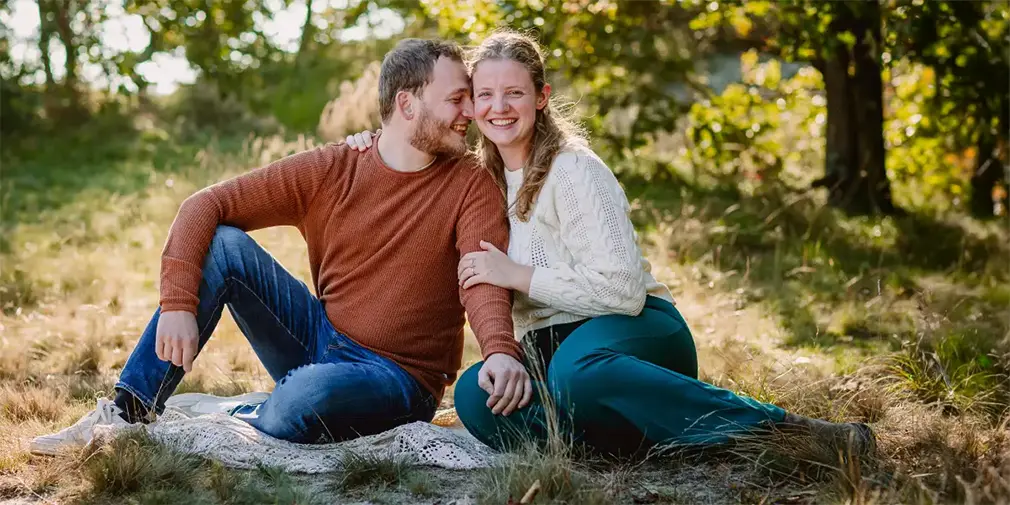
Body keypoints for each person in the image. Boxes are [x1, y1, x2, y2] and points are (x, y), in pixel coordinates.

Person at [343, 31, 875, 457]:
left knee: (579, 373)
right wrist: (367, 141)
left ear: (541, 98)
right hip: (554, 348)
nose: (498, 107)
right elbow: (405, 149)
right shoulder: (477, 177)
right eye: (484, 95)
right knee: (476, 396)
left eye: (515, 93)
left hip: (638, 332)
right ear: (473, 105)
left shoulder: (574, 171)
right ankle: (634, 445)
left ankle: (791, 434)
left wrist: (518, 276)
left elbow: (622, 292)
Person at [30, 38, 535, 455]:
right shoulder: (336, 167)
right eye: (457, 99)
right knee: (224, 245)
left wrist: (497, 350)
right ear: (407, 103)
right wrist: (177, 304)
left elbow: (481, 274)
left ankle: (256, 411)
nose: (470, 111)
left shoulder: (470, 183)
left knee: (303, 397)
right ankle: (128, 413)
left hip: (397, 377)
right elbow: (203, 205)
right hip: (321, 334)